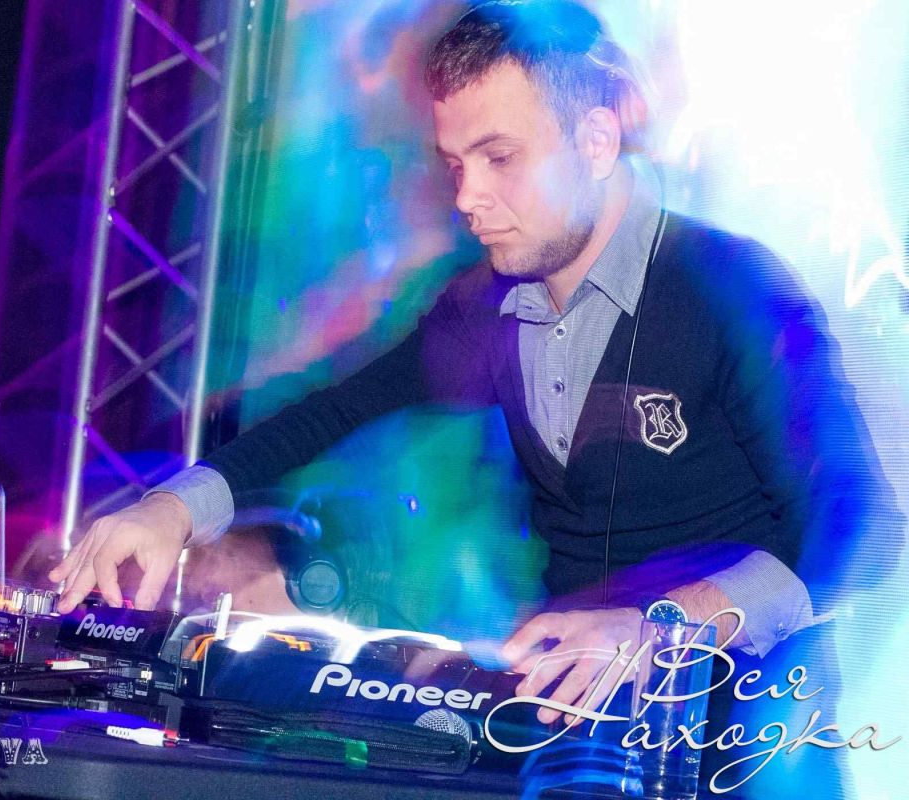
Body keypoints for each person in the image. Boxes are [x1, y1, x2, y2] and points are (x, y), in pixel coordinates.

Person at [50, 0, 898, 768]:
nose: (469, 196)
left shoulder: (732, 289)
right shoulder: (483, 308)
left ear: (597, 143)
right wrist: (174, 508)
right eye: (455, 164)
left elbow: (864, 526)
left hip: (753, 748)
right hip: (579, 738)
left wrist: (665, 629)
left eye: (499, 157)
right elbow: (331, 409)